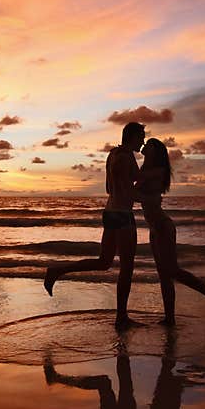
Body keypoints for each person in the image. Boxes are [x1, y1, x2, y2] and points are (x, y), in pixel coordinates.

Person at [44, 121, 145, 329]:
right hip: (123, 215)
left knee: (104, 262)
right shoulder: (126, 158)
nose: (143, 141)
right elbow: (132, 189)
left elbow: (110, 188)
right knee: (126, 268)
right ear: (132, 136)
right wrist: (148, 198)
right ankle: (121, 318)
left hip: (109, 212)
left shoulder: (113, 155)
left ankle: (57, 271)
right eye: (141, 137)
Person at [136, 138, 205, 324]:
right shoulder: (145, 170)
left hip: (163, 226)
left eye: (149, 144)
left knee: (172, 270)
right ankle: (169, 318)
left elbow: (135, 189)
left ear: (156, 151)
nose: (144, 145)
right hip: (154, 228)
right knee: (164, 276)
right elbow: (137, 193)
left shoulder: (157, 171)